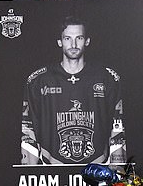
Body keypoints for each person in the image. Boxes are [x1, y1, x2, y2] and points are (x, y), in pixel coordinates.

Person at [20, 16, 126, 165]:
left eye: (79, 38)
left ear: (87, 41)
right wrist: (29, 171)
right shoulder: (39, 80)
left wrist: (118, 170)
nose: (74, 44)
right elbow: (27, 128)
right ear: (60, 42)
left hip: (97, 166)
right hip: (52, 168)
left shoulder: (107, 78)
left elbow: (118, 125)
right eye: (68, 38)